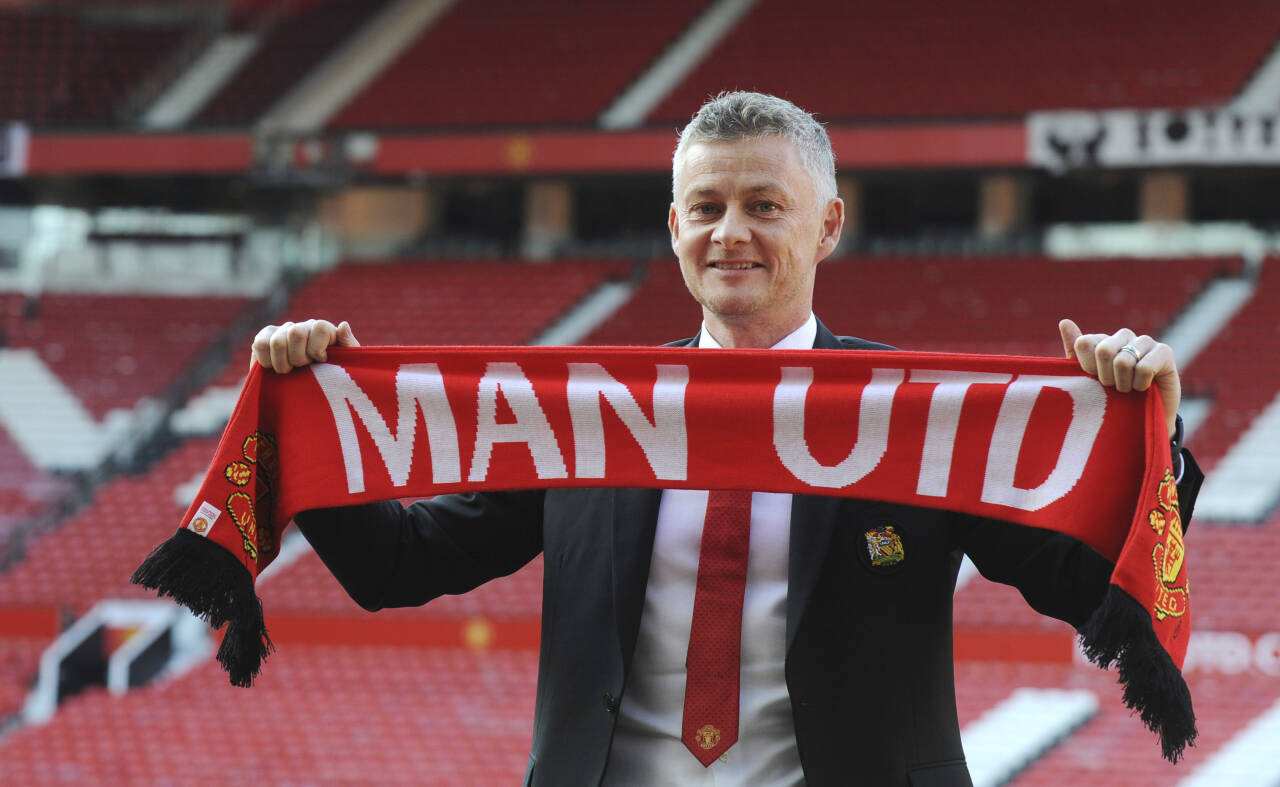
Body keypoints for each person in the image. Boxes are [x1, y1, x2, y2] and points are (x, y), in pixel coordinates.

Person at [252, 92, 1202, 787]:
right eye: (706, 207)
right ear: (673, 227)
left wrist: (1152, 428)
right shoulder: (587, 407)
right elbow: (403, 565)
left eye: (763, 205)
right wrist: (305, 422)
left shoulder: (915, 409)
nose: (729, 233)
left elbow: (1087, 584)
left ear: (827, 225)